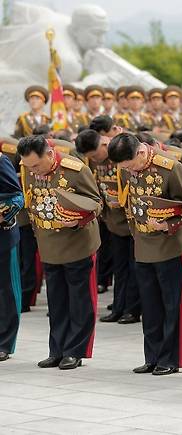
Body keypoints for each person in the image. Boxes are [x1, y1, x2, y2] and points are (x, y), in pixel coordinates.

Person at [108, 132, 182, 376]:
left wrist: (167, 224)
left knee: (171, 304)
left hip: (168, 243)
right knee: (150, 304)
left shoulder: (169, 166)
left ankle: (170, 358)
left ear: (141, 152)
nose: (128, 171)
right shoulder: (125, 169)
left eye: (130, 165)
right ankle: (152, 356)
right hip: (142, 243)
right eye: (123, 167)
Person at [18, 135, 102, 370]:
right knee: (56, 301)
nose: (33, 170)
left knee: (79, 299)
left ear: (48, 154)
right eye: (28, 166)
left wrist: (75, 221)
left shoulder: (74, 169)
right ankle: (56, 349)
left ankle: (75, 351)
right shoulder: (28, 169)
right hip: (48, 244)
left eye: (36, 165)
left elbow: (96, 203)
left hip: (76, 242)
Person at [76, 121, 141, 324]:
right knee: (120, 267)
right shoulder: (93, 162)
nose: (95, 160)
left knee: (133, 268)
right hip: (113, 222)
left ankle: (132, 309)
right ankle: (119, 306)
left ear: (104, 144)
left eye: (96, 155)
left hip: (134, 223)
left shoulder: (122, 153)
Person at [0, 152, 24, 361]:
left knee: (6, 290)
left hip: (2, 236)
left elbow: (17, 197)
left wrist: (2, 213)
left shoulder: (1, 161)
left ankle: (5, 343)